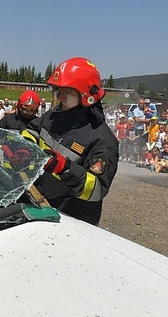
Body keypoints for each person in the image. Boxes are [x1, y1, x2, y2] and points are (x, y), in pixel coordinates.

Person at [21, 57, 118, 226]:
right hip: (40, 207)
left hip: (71, 222)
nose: (60, 96)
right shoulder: (55, 116)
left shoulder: (102, 139)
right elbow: (33, 130)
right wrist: (22, 146)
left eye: (67, 92)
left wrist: (65, 169)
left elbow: (97, 189)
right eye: (58, 90)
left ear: (86, 95)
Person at [0, 90, 41, 168]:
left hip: (30, 168)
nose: (27, 112)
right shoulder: (8, 120)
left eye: (31, 110)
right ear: (19, 105)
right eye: (24, 109)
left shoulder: (38, 124)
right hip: (9, 166)